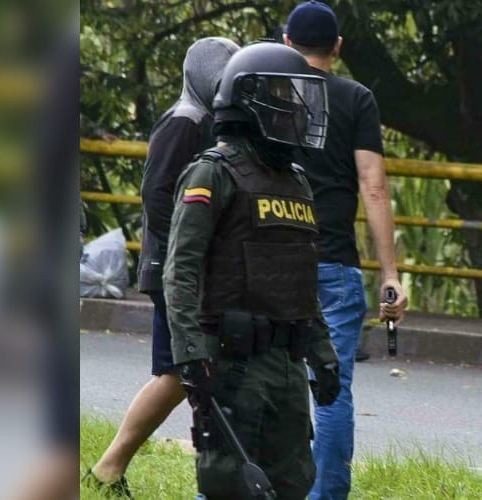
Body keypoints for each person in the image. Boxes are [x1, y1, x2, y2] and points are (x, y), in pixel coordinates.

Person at [164, 42, 341, 500]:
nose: (299, 112)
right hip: (233, 362)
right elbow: (180, 269)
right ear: (250, 104)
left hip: (286, 362)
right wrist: (189, 351)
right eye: (286, 100)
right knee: (231, 483)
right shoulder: (213, 174)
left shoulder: (296, 181)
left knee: (292, 483)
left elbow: (303, 276)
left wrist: (321, 351)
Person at [84, 37, 239, 496]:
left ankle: (113, 470)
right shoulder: (185, 121)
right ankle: (106, 470)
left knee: (187, 370)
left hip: (188, 266)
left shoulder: (210, 121)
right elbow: (156, 194)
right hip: (172, 265)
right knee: (179, 370)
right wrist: (186, 252)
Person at [281, 2, 408, 498]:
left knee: (267, 381)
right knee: (331, 388)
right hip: (333, 260)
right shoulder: (357, 98)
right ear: (338, 47)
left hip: (271, 259)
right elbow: (373, 187)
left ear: (287, 43)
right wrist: (390, 275)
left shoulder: (269, 93)